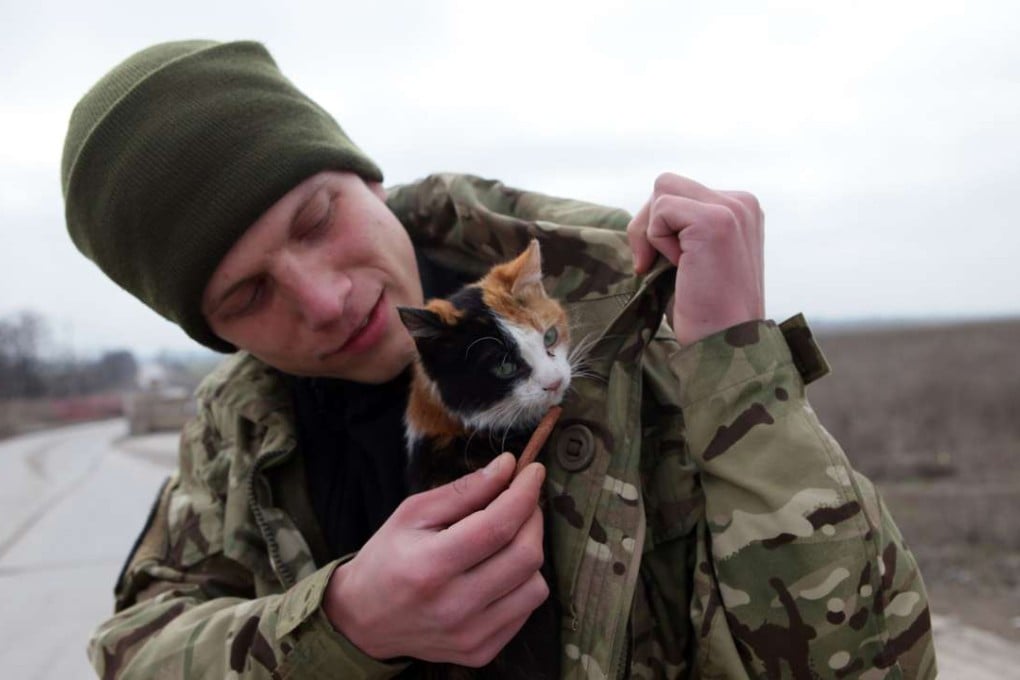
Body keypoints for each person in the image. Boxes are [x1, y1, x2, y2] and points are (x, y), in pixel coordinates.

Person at [62, 40, 936, 678]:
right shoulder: (238, 425)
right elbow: (134, 648)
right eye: (247, 296)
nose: (326, 300)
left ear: (364, 179)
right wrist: (340, 625)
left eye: (316, 220)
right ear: (217, 335)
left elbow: (868, 663)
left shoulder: (633, 315)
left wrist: (738, 370)